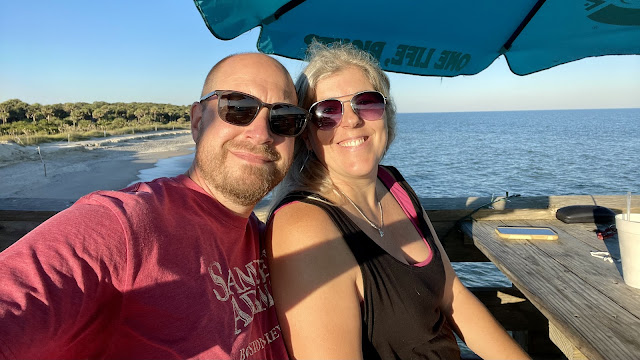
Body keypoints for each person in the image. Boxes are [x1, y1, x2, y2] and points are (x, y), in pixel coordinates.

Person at [0, 53, 310, 359]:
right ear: (198, 121)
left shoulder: (269, 239)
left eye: (283, 119)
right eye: (239, 108)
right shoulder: (123, 224)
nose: (261, 134)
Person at [266, 42, 531, 360]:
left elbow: (453, 295)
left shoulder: (393, 185)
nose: (350, 121)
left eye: (366, 103)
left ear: (385, 116)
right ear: (306, 134)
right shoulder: (303, 225)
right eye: (327, 111)